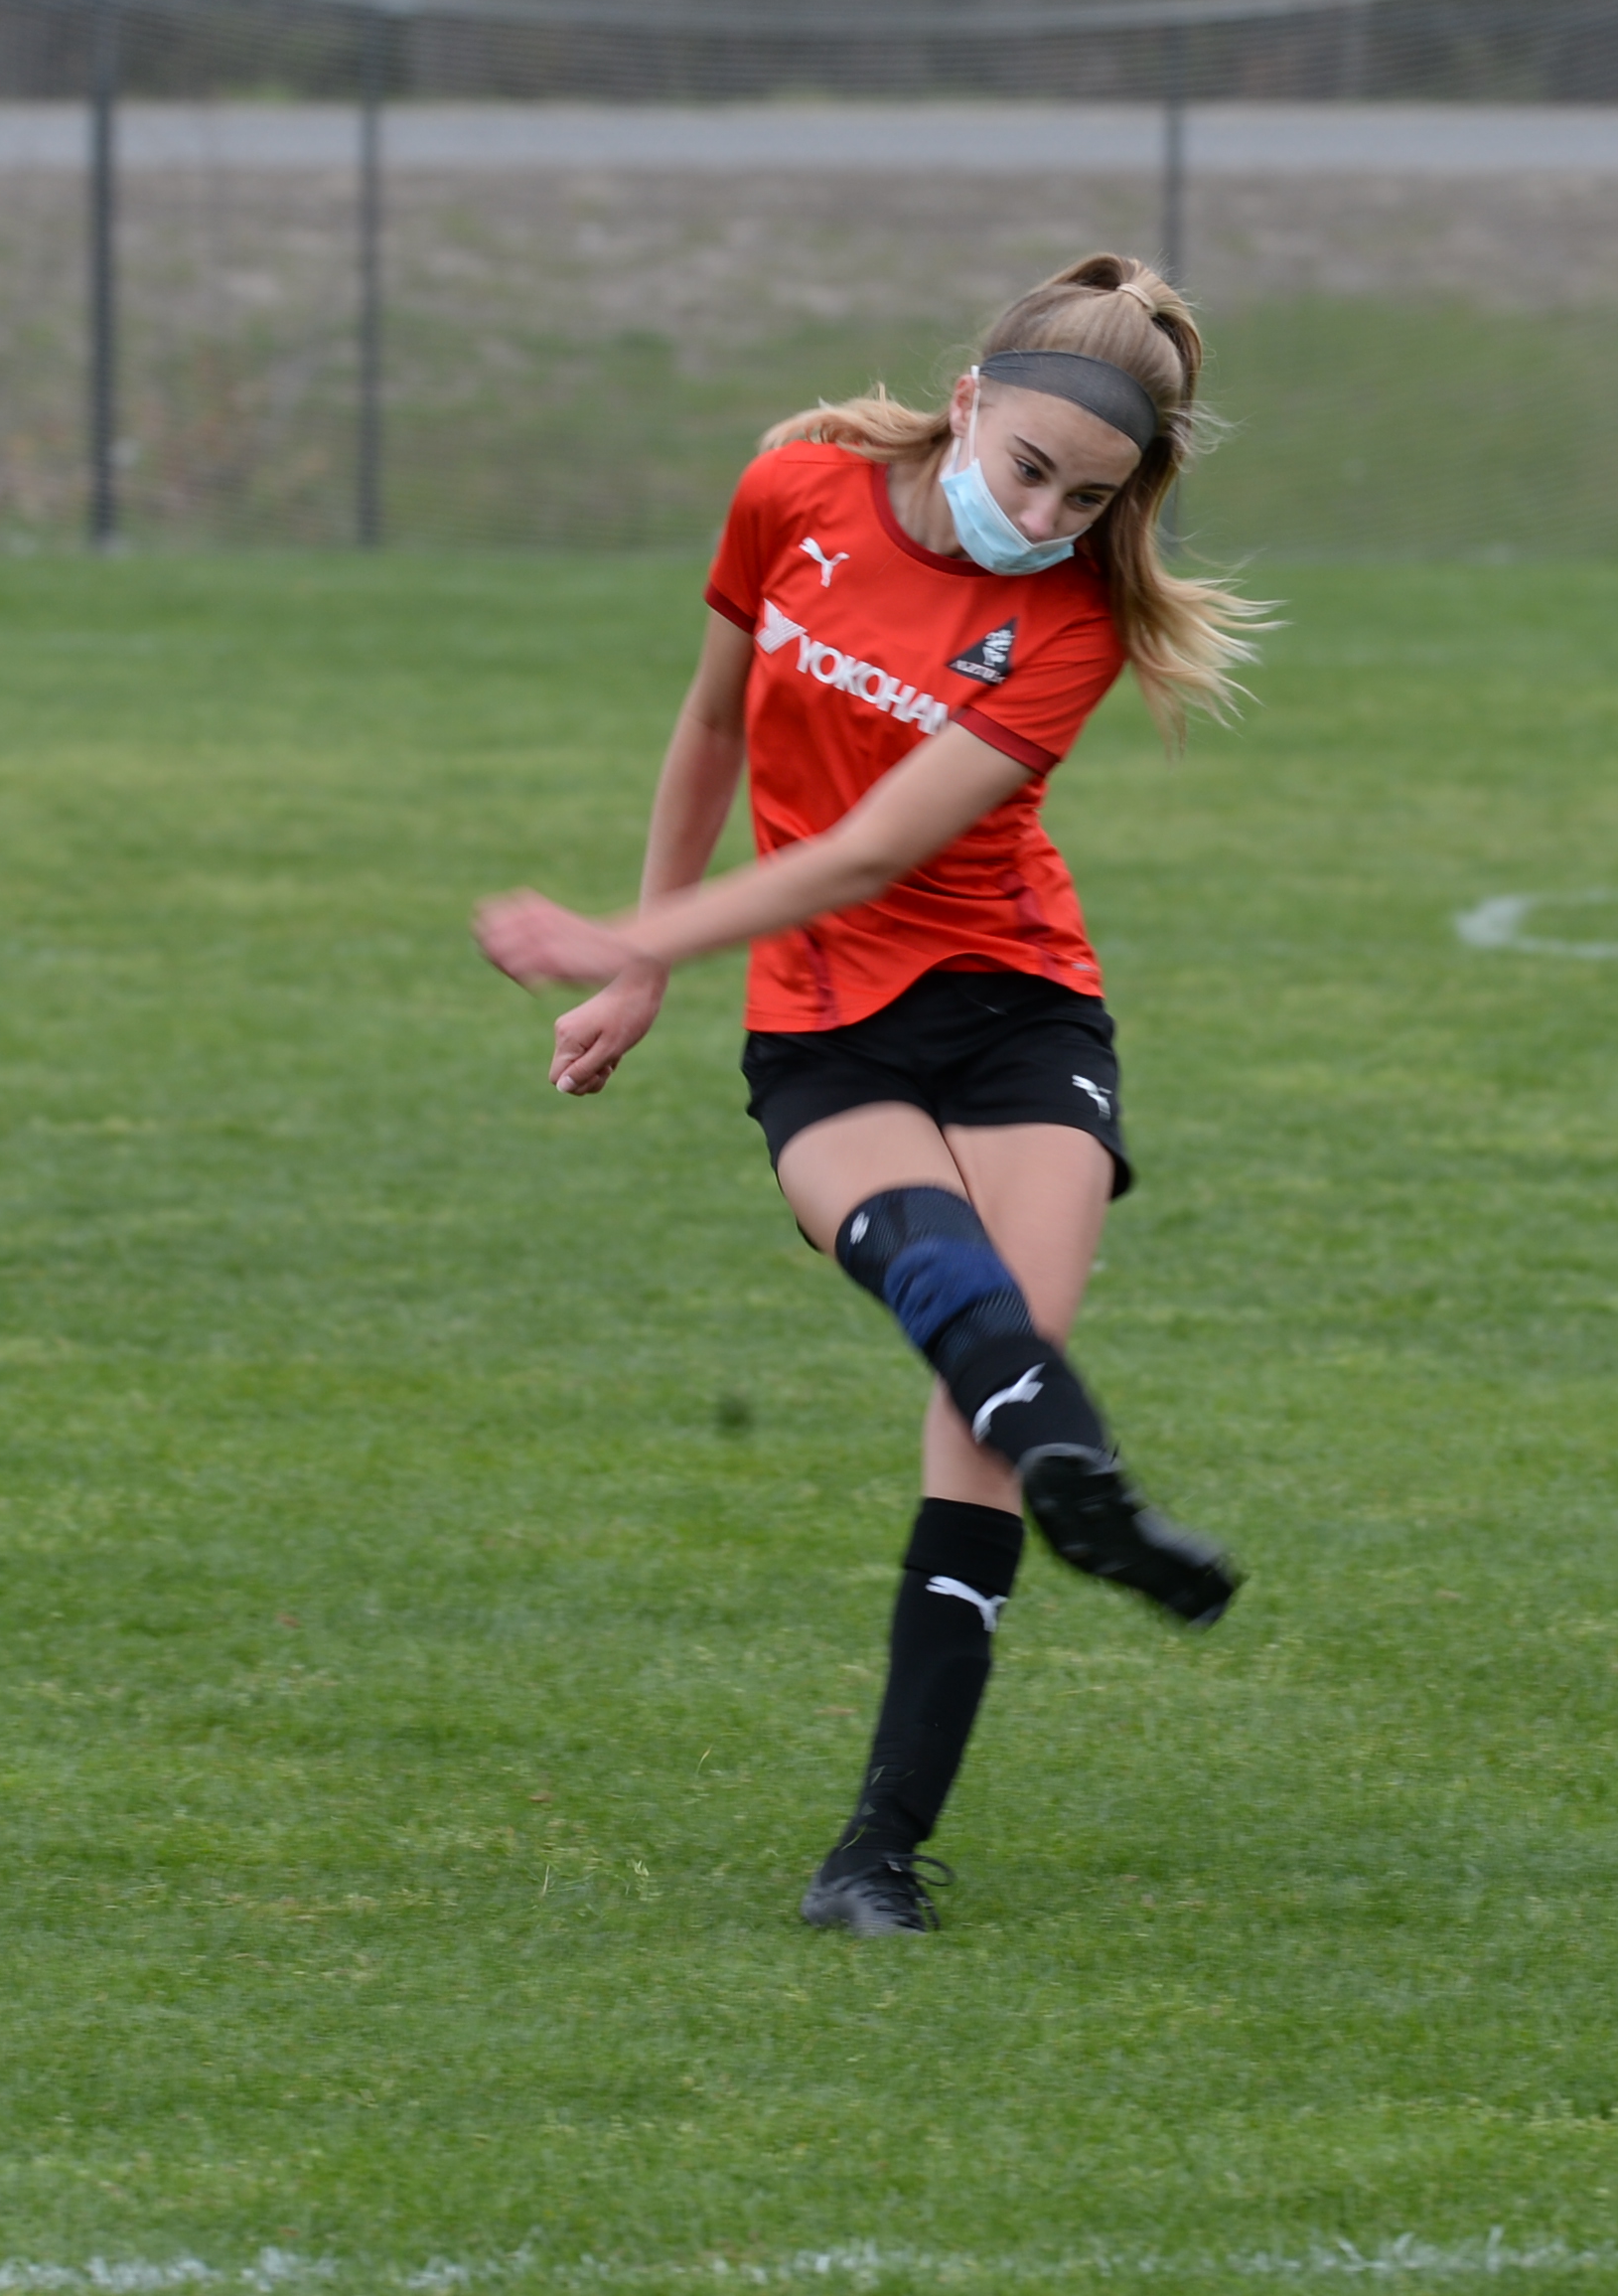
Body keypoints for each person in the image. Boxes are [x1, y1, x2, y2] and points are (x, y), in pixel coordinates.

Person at [472, 253, 1265, 1938]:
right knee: (943, 1287)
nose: (1045, 518)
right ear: (967, 402)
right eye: (1029, 469)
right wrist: (643, 966)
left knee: (987, 1413)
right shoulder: (794, 494)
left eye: (1088, 500)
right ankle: (1099, 1494)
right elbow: (711, 726)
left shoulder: (1068, 626)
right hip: (826, 1020)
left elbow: (871, 849)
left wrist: (626, 934)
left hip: (1015, 1009)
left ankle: (874, 1859)